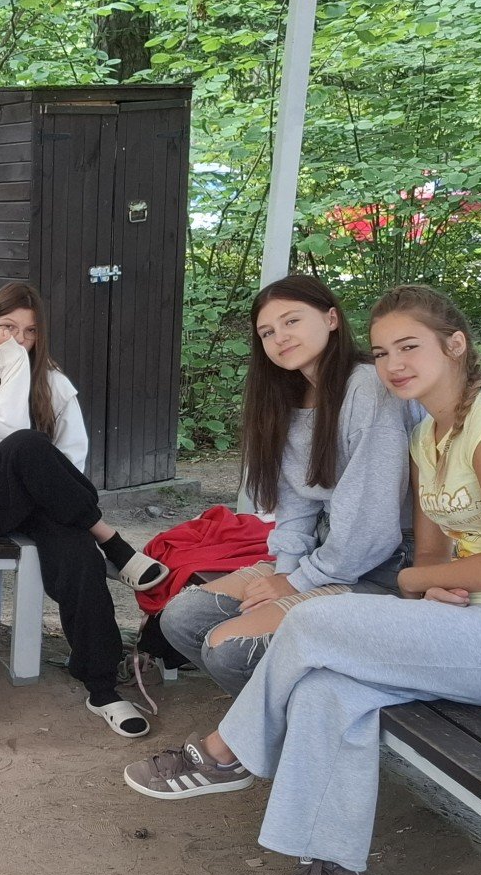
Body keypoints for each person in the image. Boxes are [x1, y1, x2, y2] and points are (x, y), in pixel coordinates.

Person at [121, 285, 481, 875]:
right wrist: (428, 581)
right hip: (471, 626)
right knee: (327, 686)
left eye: (409, 347)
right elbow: (431, 555)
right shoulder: (430, 438)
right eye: (383, 351)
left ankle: (225, 752)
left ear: (455, 345)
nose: (393, 364)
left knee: (311, 620)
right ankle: (329, 867)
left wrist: (415, 579)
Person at [128, 277, 414, 796]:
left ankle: (260, 751)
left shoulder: (367, 389)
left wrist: (297, 583)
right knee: (183, 617)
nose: (279, 337)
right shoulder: (289, 397)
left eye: (291, 321)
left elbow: (371, 525)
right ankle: (285, 736)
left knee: (232, 650)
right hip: (330, 556)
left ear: (331, 318)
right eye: (266, 332)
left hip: (385, 566)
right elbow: (298, 505)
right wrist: (285, 569)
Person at [0, 282, 166, 738]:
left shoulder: (55, 382)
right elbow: (12, 430)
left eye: (30, 332)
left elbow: (71, 458)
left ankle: (101, 686)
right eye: (8, 328)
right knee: (27, 443)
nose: (19, 340)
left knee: (78, 556)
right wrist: (10, 363)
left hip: (41, 502)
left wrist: (48, 485)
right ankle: (113, 543)